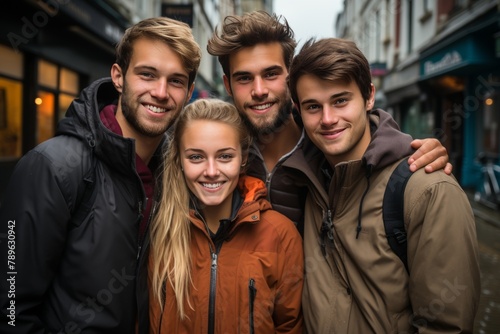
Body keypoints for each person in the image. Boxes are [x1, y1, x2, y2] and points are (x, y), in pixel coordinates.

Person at [0, 17, 201, 333]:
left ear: (189, 92)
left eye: (176, 81)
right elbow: (10, 308)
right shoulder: (53, 166)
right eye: (147, 74)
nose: (161, 92)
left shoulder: (177, 175)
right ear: (118, 77)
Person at [288, 37, 481, 333]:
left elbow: (446, 326)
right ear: (298, 111)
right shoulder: (305, 183)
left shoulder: (428, 189)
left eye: (341, 100)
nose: (328, 119)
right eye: (313, 106)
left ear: (369, 97)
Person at [207, 10, 452, 234]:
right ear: (228, 85)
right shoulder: (215, 157)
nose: (259, 90)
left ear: (290, 76)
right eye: (244, 78)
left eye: (271, 74)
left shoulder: (332, 147)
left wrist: (408, 150)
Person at [148, 98, 304, 333]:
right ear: (179, 160)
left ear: (243, 159)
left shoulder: (280, 235)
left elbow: (289, 326)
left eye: (224, 156)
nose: (211, 172)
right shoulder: (159, 230)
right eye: (196, 157)